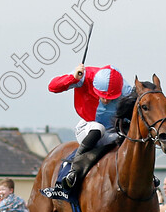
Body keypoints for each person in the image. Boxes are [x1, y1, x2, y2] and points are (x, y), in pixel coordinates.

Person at [48, 63, 134, 191]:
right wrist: (73, 78)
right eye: (103, 96)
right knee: (99, 128)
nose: (106, 101)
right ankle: (73, 170)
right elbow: (52, 87)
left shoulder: (126, 90)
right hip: (87, 127)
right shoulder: (84, 77)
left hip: (112, 132)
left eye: (111, 98)